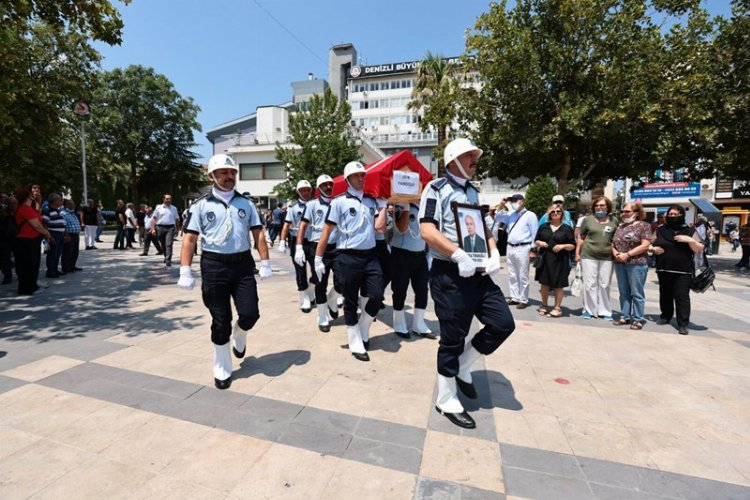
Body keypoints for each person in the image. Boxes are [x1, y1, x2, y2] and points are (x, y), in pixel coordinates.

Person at [419, 138, 513, 429]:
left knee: (502, 323)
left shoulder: (472, 192)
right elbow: (426, 228)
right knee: (452, 338)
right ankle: (446, 399)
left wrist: (494, 250)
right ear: (453, 159)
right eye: (470, 155)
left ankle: (463, 364)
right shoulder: (435, 189)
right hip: (450, 273)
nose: (475, 160)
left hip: (478, 272)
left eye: (475, 155)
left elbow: (482, 226)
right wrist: (457, 253)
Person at [178, 154, 272, 389]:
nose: (229, 177)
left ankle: (240, 333)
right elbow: (190, 239)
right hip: (214, 266)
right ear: (212, 176)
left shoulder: (246, 204)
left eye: (232, 173)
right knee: (221, 320)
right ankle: (222, 366)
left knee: (250, 313)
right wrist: (185, 269)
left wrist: (266, 262)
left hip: (242, 265)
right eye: (223, 173)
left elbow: (258, 234)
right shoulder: (200, 206)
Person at [314, 161, 384, 362]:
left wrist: (383, 206)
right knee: (351, 300)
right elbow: (326, 232)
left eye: (363, 175)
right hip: (348, 257)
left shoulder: (372, 201)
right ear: (347, 180)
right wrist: (318, 258)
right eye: (357, 176)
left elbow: (380, 228)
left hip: (370, 256)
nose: (361, 178)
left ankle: (363, 326)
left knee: (377, 295)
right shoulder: (339, 202)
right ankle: (354, 340)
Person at [296, 174, 342, 332]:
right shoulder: (312, 205)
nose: (328, 188)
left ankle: (332, 298)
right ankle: (322, 316)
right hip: (317, 248)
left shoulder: (338, 203)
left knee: (343, 280)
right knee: (320, 283)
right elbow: (302, 226)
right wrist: (299, 247)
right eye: (324, 185)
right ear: (318, 188)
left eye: (330, 185)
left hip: (337, 247)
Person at [650, 205, 704, 335]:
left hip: (683, 270)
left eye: (676, 214)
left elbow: (699, 248)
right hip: (664, 268)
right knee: (665, 294)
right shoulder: (660, 230)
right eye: (671, 214)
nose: (673, 217)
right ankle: (666, 316)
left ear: (682, 215)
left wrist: (690, 240)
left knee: (682, 296)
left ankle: (683, 323)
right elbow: (650, 243)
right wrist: (652, 249)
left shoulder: (690, 230)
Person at [390, 200, 434, 338]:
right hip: (401, 254)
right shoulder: (399, 206)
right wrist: (406, 207)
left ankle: (419, 324)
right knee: (400, 290)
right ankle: (399, 324)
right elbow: (402, 229)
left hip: (420, 255)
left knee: (422, 290)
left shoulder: (424, 208)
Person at [611, 202, 652, 329]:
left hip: (636, 264)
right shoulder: (620, 226)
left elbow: (645, 245)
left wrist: (627, 254)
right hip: (620, 263)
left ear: (637, 213)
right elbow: (613, 243)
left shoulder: (644, 226)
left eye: (627, 211)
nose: (624, 214)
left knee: (636, 292)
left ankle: (638, 319)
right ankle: (625, 316)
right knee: (623, 292)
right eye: (623, 211)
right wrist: (616, 253)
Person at [576, 196, 617, 320]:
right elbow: (581, 237)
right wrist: (577, 253)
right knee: (590, 284)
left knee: (605, 284)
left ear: (607, 207)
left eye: (602, 205)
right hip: (589, 255)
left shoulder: (614, 220)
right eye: (597, 206)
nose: (599, 208)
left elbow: (616, 239)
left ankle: (604, 310)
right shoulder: (587, 220)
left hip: (607, 257)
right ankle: (589, 309)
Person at [279, 180, 316, 313]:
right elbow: (286, 225)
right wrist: (282, 241)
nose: (306, 192)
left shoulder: (315, 205)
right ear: (298, 191)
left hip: (312, 241)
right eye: (303, 190)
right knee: (300, 271)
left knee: (317, 270)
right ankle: (304, 297)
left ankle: (311, 290)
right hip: (297, 241)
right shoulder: (293, 208)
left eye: (308, 190)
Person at [496, 193, 538, 309]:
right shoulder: (510, 214)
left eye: (516, 200)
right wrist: (502, 204)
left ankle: (523, 299)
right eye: (512, 201)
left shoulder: (530, 215)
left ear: (523, 201)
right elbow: (497, 217)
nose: (514, 203)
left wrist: (533, 249)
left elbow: (534, 233)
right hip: (510, 246)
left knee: (523, 274)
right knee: (513, 274)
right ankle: (515, 297)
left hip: (523, 247)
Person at [534, 204, 576, 318]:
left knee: (559, 284)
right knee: (544, 283)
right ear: (549, 214)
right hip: (545, 258)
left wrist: (562, 246)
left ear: (562, 214)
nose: (555, 213)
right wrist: (540, 243)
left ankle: (557, 307)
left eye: (558, 211)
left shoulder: (567, 228)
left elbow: (572, 245)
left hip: (560, 260)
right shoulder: (544, 226)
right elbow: (536, 240)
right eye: (553, 212)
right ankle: (544, 304)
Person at [13, 188, 52, 295]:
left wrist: (38, 201)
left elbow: (38, 215)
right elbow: (36, 225)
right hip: (26, 241)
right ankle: (28, 288)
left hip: (31, 240)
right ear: (28, 196)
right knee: (28, 265)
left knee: (32, 265)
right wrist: (46, 233)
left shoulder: (28, 208)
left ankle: (31, 285)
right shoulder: (25, 209)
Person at [42, 193, 67, 278]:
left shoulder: (58, 210)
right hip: (53, 234)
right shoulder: (47, 210)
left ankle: (55, 269)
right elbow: (44, 224)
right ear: (54, 201)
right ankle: (50, 271)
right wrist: (49, 236)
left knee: (58, 253)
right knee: (52, 253)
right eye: (60, 199)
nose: (61, 201)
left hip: (59, 234)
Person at [152, 193, 180, 266]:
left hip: (170, 228)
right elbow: (154, 218)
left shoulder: (174, 208)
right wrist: (153, 228)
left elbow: (177, 219)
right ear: (163, 199)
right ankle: (165, 256)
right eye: (167, 199)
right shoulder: (158, 207)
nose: (169, 200)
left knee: (169, 244)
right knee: (163, 244)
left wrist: (177, 229)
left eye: (170, 199)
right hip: (160, 227)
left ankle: (168, 260)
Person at [61, 199, 83, 273]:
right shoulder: (63, 213)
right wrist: (66, 235)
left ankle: (72, 266)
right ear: (66, 205)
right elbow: (63, 225)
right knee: (67, 252)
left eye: (73, 203)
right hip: (69, 235)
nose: (72, 205)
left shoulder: (73, 213)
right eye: (70, 204)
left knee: (75, 251)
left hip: (75, 234)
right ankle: (66, 268)